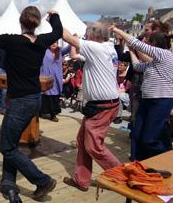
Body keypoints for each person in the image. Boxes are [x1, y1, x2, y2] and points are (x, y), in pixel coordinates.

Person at [0, 6, 63, 201]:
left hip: (20, 102)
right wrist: (55, 15)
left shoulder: (13, 41)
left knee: (7, 148)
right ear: (37, 23)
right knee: (12, 142)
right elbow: (58, 32)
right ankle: (8, 181)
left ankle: (42, 180)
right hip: (35, 99)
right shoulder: (42, 41)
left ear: (21, 22)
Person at [62, 23, 121, 191]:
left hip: (102, 107)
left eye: (87, 33)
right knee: (82, 142)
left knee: (93, 146)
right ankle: (82, 180)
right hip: (101, 105)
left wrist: (54, 17)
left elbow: (65, 36)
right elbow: (75, 55)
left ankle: (122, 175)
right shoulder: (107, 48)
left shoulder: (96, 48)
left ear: (94, 36)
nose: (85, 36)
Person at [110, 26, 173, 161]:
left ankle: (166, 158)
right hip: (147, 100)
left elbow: (137, 43)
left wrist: (117, 30)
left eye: (147, 41)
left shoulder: (164, 54)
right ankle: (140, 162)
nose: (145, 43)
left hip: (160, 101)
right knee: (137, 133)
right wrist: (132, 51)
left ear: (154, 44)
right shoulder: (155, 61)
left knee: (150, 139)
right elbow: (138, 66)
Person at [40, 42, 70, 122]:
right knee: (46, 95)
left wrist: (73, 38)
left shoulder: (60, 51)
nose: (53, 44)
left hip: (56, 78)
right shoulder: (44, 51)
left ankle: (52, 113)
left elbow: (69, 47)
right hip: (46, 77)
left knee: (55, 96)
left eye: (55, 43)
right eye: (51, 42)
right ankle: (49, 114)